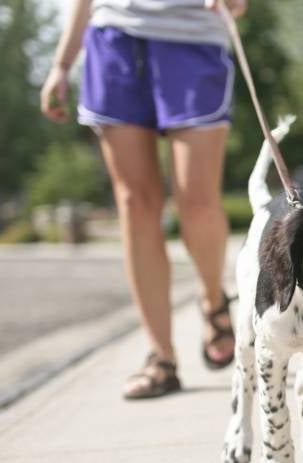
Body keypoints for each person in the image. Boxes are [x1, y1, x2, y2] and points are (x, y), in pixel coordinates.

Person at [41, 0, 247, 399]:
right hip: (113, 38)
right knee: (135, 205)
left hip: (191, 35)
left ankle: (212, 299)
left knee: (197, 201)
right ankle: (161, 356)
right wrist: (62, 64)